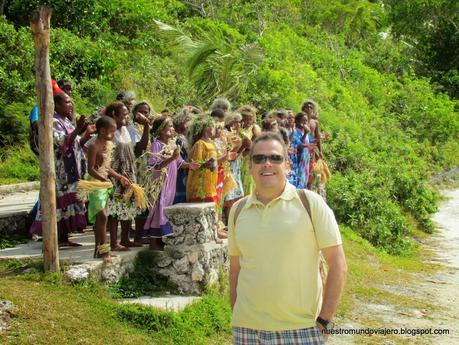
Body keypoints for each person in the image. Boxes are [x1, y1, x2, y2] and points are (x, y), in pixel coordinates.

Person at [228, 132, 347, 345]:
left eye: (275, 158)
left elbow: (338, 264)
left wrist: (325, 321)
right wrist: (238, 317)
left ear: (287, 165)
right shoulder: (238, 210)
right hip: (247, 331)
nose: (267, 163)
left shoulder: (310, 203)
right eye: (259, 158)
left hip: (301, 329)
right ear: (250, 167)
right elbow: (235, 270)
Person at [30, 93, 91, 246]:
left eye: (71, 102)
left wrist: (85, 133)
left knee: (69, 201)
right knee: (59, 202)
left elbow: (76, 143)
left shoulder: (66, 121)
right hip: (59, 171)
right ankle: (57, 238)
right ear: (56, 105)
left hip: (71, 171)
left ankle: (64, 238)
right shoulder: (53, 121)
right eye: (67, 102)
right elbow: (61, 142)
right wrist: (78, 129)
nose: (70, 105)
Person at [143, 116, 199, 250]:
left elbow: (179, 163)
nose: (173, 129)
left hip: (171, 182)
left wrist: (190, 165)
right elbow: (155, 165)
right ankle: (153, 241)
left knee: (166, 208)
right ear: (162, 129)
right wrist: (172, 158)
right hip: (160, 182)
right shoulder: (157, 144)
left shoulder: (173, 144)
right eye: (170, 126)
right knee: (158, 207)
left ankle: (161, 238)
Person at [86, 116, 130, 262]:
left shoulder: (108, 144)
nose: (113, 134)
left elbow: (107, 167)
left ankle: (99, 250)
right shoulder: (93, 146)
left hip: (105, 183)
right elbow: (91, 169)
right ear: (102, 130)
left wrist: (119, 177)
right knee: (102, 216)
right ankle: (104, 251)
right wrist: (102, 179)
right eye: (111, 131)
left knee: (102, 218)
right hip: (95, 183)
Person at [105, 101, 146, 251]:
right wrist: (117, 176)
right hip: (116, 175)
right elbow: (105, 158)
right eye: (123, 114)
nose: (127, 116)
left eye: (127, 114)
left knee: (128, 206)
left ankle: (125, 239)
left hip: (129, 173)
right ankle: (114, 243)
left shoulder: (126, 130)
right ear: (114, 115)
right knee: (115, 209)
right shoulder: (110, 133)